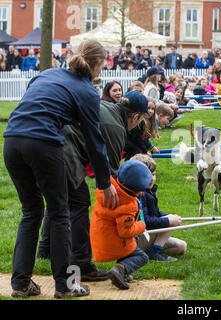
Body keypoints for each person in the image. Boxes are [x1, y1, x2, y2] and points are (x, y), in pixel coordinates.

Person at [3, 40, 118, 299]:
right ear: (97, 65)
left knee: (31, 211)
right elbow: (94, 138)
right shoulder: (87, 91)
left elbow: (37, 100)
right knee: (59, 212)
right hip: (43, 143)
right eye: (102, 65)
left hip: (11, 140)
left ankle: (20, 283)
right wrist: (105, 181)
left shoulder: (47, 74)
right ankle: (65, 285)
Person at [37, 90, 151, 283]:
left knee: (59, 200)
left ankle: (45, 250)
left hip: (40, 139)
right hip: (61, 148)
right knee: (79, 203)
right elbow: (114, 179)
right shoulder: (117, 128)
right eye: (141, 120)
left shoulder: (107, 107)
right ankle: (82, 265)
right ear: (134, 116)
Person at [90, 160, 151, 290]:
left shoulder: (107, 190)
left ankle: (123, 272)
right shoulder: (128, 205)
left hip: (100, 238)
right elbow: (125, 232)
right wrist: (141, 226)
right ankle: (119, 269)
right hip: (114, 243)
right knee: (142, 257)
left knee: (130, 244)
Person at [131, 154, 187, 261]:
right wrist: (168, 221)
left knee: (181, 247)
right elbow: (145, 222)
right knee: (171, 221)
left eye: (154, 174)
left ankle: (148, 253)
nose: (152, 178)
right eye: (148, 175)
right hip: (138, 238)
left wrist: (167, 217)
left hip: (147, 236)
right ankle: (154, 253)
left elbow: (154, 214)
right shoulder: (139, 194)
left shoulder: (149, 192)